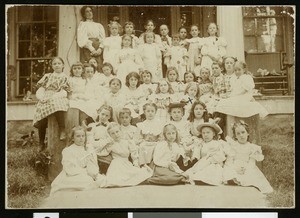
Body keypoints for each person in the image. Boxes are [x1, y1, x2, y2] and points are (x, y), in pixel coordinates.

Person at [50, 126, 106, 196]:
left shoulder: (88, 148)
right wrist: (84, 171)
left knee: (101, 179)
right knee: (84, 181)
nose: (81, 138)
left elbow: (93, 164)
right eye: (78, 136)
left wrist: (92, 171)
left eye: (83, 136)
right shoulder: (68, 150)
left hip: (87, 172)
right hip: (73, 173)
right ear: (73, 138)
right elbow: (69, 168)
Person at [96, 122, 153, 187]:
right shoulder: (111, 145)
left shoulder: (127, 142)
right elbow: (100, 152)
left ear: (121, 131)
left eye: (117, 132)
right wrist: (105, 144)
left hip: (126, 163)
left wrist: (135, 162)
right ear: (110, 135)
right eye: (113, 133)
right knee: (116, 179)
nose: (116, 135)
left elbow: (134, 153)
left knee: (139, 173)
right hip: (116, 164)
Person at [223, 121, 273, 193]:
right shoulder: (233, 146)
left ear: (248, 133)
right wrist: (235, 168)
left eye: (243, 132)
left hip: (247, 166)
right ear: (235, 136)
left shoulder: (252, 147)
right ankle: (233, 179)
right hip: (235, 165)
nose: (241, 135)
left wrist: (246, 169)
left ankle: (241, 180)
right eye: (238, 133)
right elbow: (229, 160)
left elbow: (252, 162)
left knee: (251, 174)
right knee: (228, 171)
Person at [33, 57, 70, 151]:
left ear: (63, 65)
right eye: (54, 64)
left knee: (57, 105)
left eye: (59, 63)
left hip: (58, 95)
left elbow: (64, 92)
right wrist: (41, 98)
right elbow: (41, 89)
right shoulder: (47, 76)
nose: (57, 65)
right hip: (46, 96)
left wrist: (53, 97)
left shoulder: (65, 77)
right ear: (52, 66)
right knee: (41, 113)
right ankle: (41, 142)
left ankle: (62, 129)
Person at [184, 118, 228, 185]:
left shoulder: (217, 143)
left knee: (212, 170)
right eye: (203, 133)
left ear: (213, 134)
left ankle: (206, 179)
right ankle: (198, 178)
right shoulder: (201, 144)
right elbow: (196, 154)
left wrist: (211, 159)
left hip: (214, 163)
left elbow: (220, 156)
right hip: (202, 163)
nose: (205, 135)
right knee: (199, 169)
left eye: (208, 132)